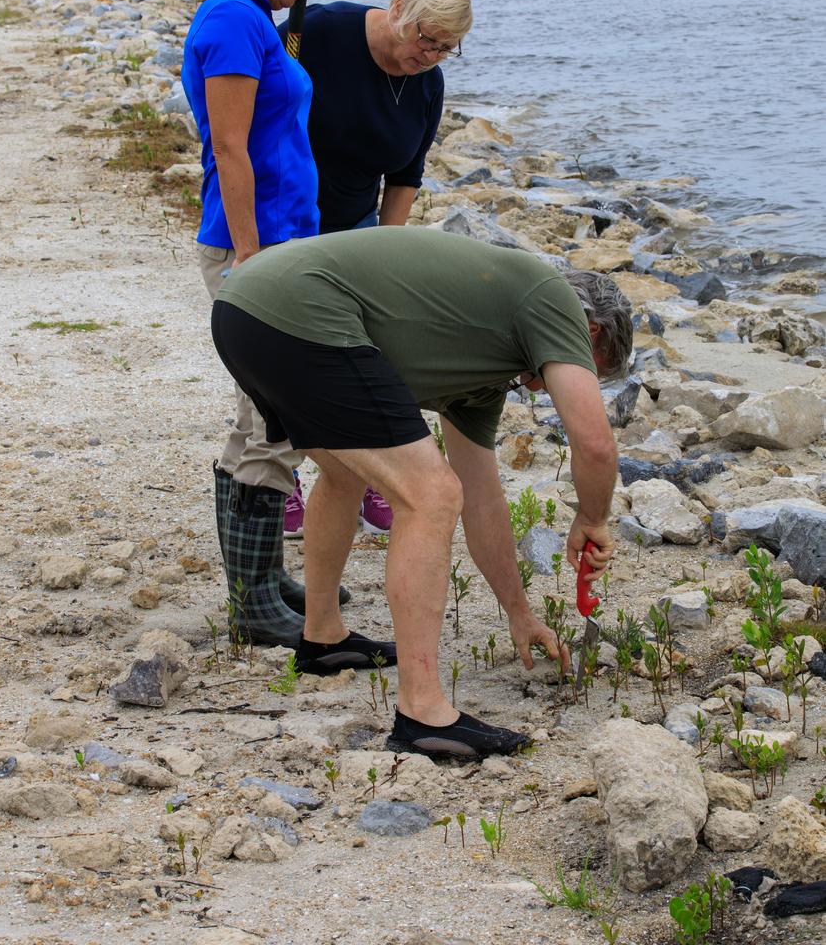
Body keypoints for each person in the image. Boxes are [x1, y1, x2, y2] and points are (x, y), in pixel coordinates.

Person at [211, 227, 633, 758]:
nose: (552, 386)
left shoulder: (485, 359)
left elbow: (482, 496)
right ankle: (423, 711)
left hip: (247, 309)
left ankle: (322, 639)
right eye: (587, 367)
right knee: (429, 495)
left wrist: (518, 611)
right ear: (588, 330)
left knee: (348, 473)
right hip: (294, 311)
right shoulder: (548, 297)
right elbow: (594, 443)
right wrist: (593, 519)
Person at [181, 0, 355, 648]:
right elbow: (229, 148)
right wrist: (252, 262)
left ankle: (261, 583)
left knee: (262, 416)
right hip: (252, 247)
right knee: (270, 417)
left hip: (283, 239)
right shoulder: (229, 21)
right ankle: (255, 607)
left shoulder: (254, 17)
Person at [277, 0, 473, 538]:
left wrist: (385, 251)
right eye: (426, 38)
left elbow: (407, 172)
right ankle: (279, 472)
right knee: (283, 354)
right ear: (396, 12)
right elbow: (259, 111)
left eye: (447, 48)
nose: (431, 55)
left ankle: (362, 480)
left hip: (358, 226)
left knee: (362, 355)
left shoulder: (428, 84)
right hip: (287, 219)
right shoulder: (321, 32)